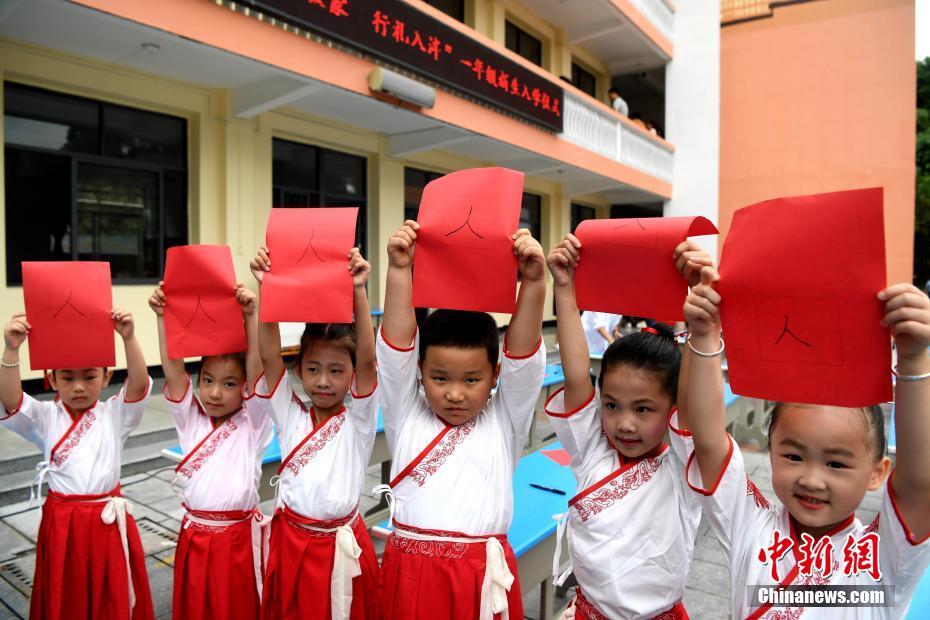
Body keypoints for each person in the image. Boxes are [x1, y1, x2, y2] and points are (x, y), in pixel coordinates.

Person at [683, 267, 930, 618]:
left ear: (878, 472)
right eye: (794, 455)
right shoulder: (750, 524)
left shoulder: (883, 557)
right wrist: (705, 336)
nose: (811, 479)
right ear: (771, 452)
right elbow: (708, 442)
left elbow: (918, 485)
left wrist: (914, 360)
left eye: (836, 463)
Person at [376, 220, 547, 619]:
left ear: (494, 376)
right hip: (411, 576)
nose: (454, 393)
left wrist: (534, 284)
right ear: (419, 372)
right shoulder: (407, 410)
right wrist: (400, 270)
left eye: (472, 379)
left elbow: (523, 360)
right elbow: (395, 349)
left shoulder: (504, 419)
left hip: (479, 578)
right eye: (439, 378)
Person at [546, 234, 711, 618]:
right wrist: (565, 288)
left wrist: (700, 312)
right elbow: (575, 373)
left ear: (673, 409)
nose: (623, 423)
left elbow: (696, 403)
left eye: (643, 409)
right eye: (611, 405)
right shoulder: (592, 445)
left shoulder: (684, 465)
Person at [250, 246, 380, 620]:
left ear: (352, 374)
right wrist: (266, 289)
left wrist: (358, 291)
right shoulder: (288, 412)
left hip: (343, 544)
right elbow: (270, 357)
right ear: (300, 369)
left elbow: (369, 362)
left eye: (337, 371)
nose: (323, 381)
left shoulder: (359, 422)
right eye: (313, 369)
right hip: (293, 544)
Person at [1, 309, 155, 619]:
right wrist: (12, 349)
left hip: (106, 519)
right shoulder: (45, 417)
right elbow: (11, 400)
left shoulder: (114, 414)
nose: (79, 386)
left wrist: (128, 337)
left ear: (107, 376)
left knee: (109, 592)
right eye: (68, 378)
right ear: (51, 379)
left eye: (89, 376)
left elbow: (138, 386)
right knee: (65, 590)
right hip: (63, 520)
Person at [149, 281, 272, 620]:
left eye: (229, 383)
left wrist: (251, 317)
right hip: (195, 536)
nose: (215, 392)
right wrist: (164, 318)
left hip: (237, 541)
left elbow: (258, 369)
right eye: (207, 380)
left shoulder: (254, 422)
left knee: (236, 607)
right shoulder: (191, 420)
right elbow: (173, 369)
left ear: (244, 387)